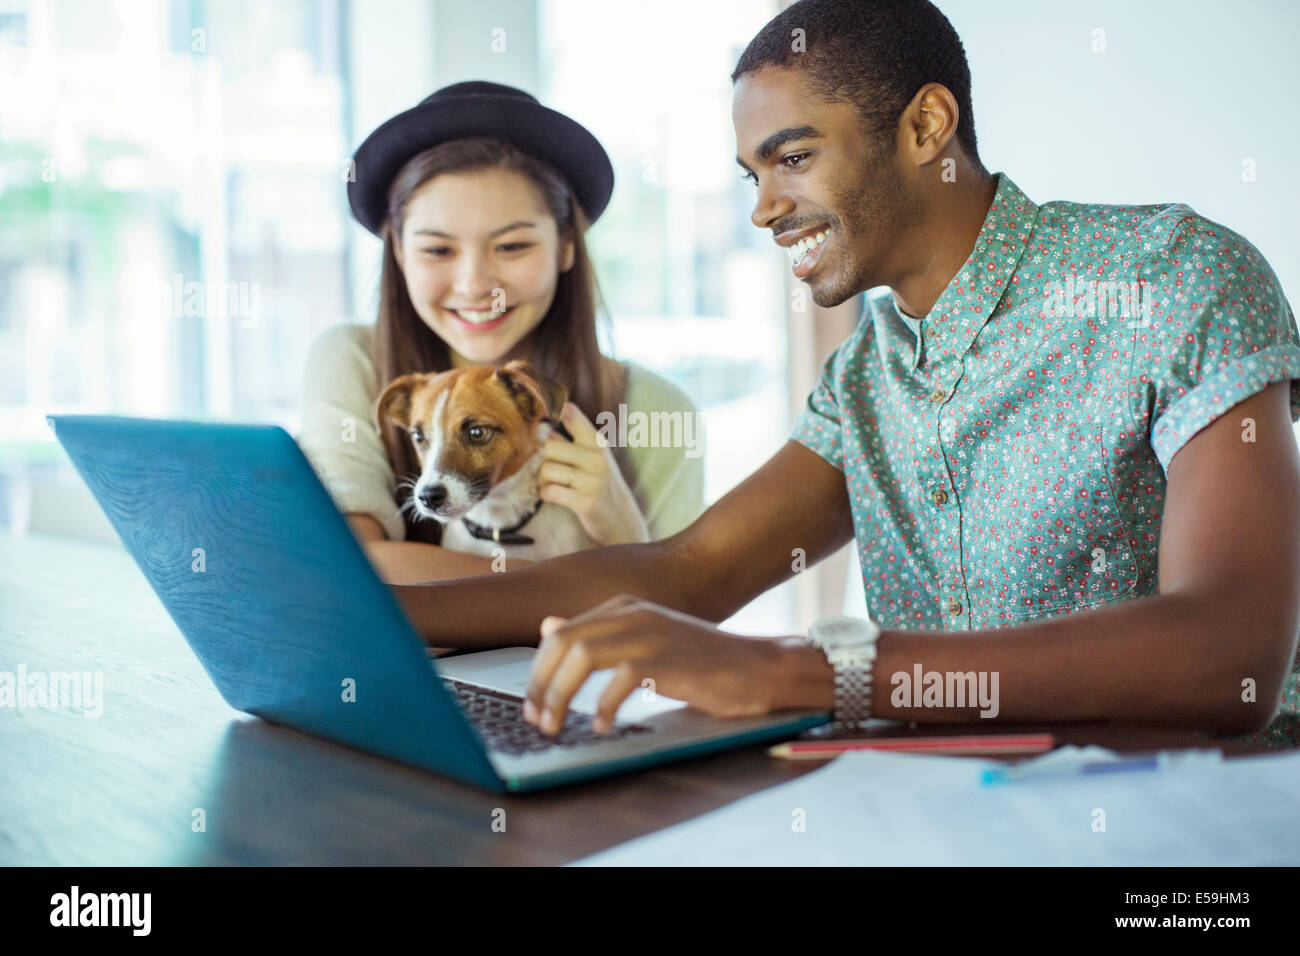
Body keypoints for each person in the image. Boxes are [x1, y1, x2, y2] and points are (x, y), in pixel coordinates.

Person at [390, 0, 1300, 751]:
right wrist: (391, 617)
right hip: (933, 809)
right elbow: (693, 568)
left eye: (792, 158)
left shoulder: (1174, 275)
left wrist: (804, 670)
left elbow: (1232, 656)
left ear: (926, 127)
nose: (764, 209)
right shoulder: (867, 370)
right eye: (752, 173)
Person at [297, 82, 704, 584]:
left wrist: (623, 531)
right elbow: (344, 571)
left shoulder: (657, 412)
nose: (476, 286)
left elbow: (680, 629)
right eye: (438, 250)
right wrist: (593, 575)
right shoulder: (352, 361)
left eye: (512, 246)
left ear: (566, 248)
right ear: (399, 253)